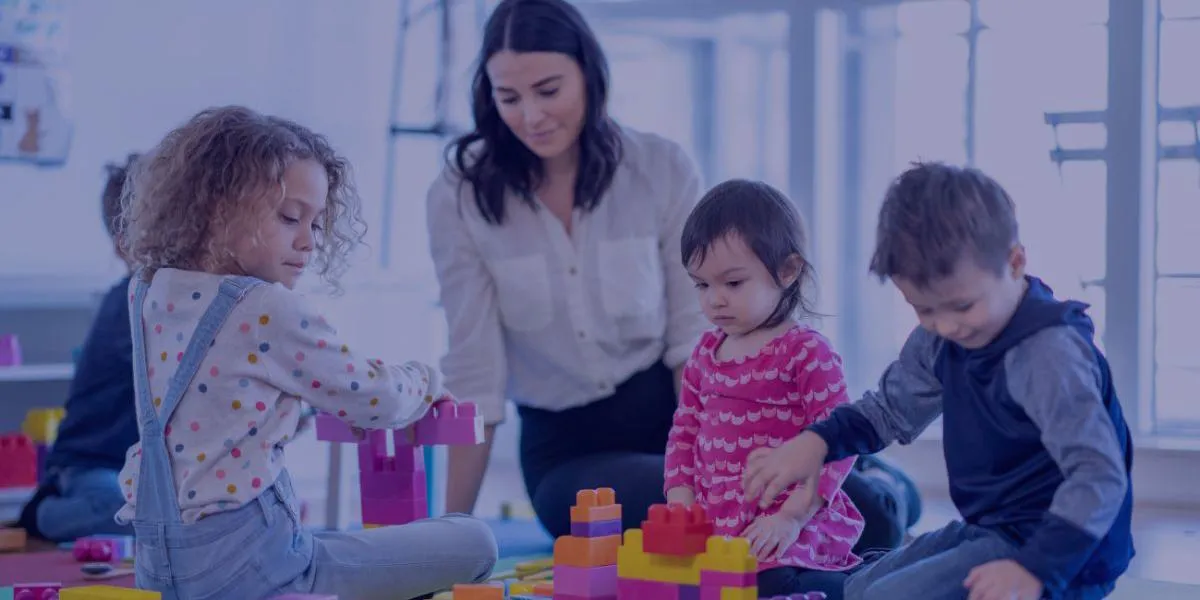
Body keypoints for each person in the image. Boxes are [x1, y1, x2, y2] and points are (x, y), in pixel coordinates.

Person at [427, 0, 921, 550]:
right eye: (508, 97)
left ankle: (875, 484)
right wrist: (451, 534)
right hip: (569, 452)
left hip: (686, 417)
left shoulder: (659, 166)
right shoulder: (458, 197)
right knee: (699, 525)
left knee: (852, 513)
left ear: (590, 76)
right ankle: (871, 485)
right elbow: (475, 372)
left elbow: (696, 337)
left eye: (548, 90)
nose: (531, 117)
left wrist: (719, 459)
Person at [112, 106, 497, 599]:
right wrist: (426, 381)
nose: (308, 242)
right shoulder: (263, 306)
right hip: (260, 573)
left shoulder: (149, 291)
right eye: (291, 217)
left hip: (162, 573)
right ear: (217, 206)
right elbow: (376, 397)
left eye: (316, 225)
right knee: (475, 541)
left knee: (341, 541)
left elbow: (216, 395)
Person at [743, 162, 1135, 600]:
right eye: (923, 309)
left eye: (962, 306)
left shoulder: (1047, 354)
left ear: (1015, 262)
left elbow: (1098, 476)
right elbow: (889, 411)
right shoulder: (940, 336)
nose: (945, 326)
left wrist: (1035, 570)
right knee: (861, 587)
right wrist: (814, 443)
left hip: (1063, 553)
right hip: (995, 528)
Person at [665, 179, 862, 599]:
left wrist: (791, 517)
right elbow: (684, 433)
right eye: (701, 285)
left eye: (733, 284)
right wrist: (680, 502)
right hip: (720, 527)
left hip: (791, 521)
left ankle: (874, 578)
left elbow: (840, 441)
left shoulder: (806, 352)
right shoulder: (703, 353)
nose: (714, 300)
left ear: (787, 272)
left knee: (770, 582)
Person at [16, 154, 141, 542]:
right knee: (126, 516)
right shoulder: (127, 302)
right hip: (91, 465)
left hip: (133, 473)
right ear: (124, 246)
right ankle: (42, 516)